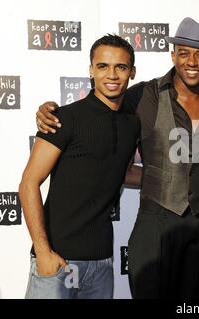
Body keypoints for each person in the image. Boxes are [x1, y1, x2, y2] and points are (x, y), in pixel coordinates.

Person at [36, 17, 199, 299]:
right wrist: (50, 110)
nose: (192, 61)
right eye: (184, 52)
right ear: (173, 54)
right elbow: (96, 105)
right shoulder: (142, 95)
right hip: (155, 221)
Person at [20, 34, 139, 299]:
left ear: (132, 72)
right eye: (103, 66)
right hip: (57, 261)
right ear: (91, 70)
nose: (112, 75)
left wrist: (178, 176)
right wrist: (43, 252)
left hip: (101, 264)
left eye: (120, 67)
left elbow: (126, 172)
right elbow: (28, 182)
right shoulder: (63, 118)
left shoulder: (132, 124)